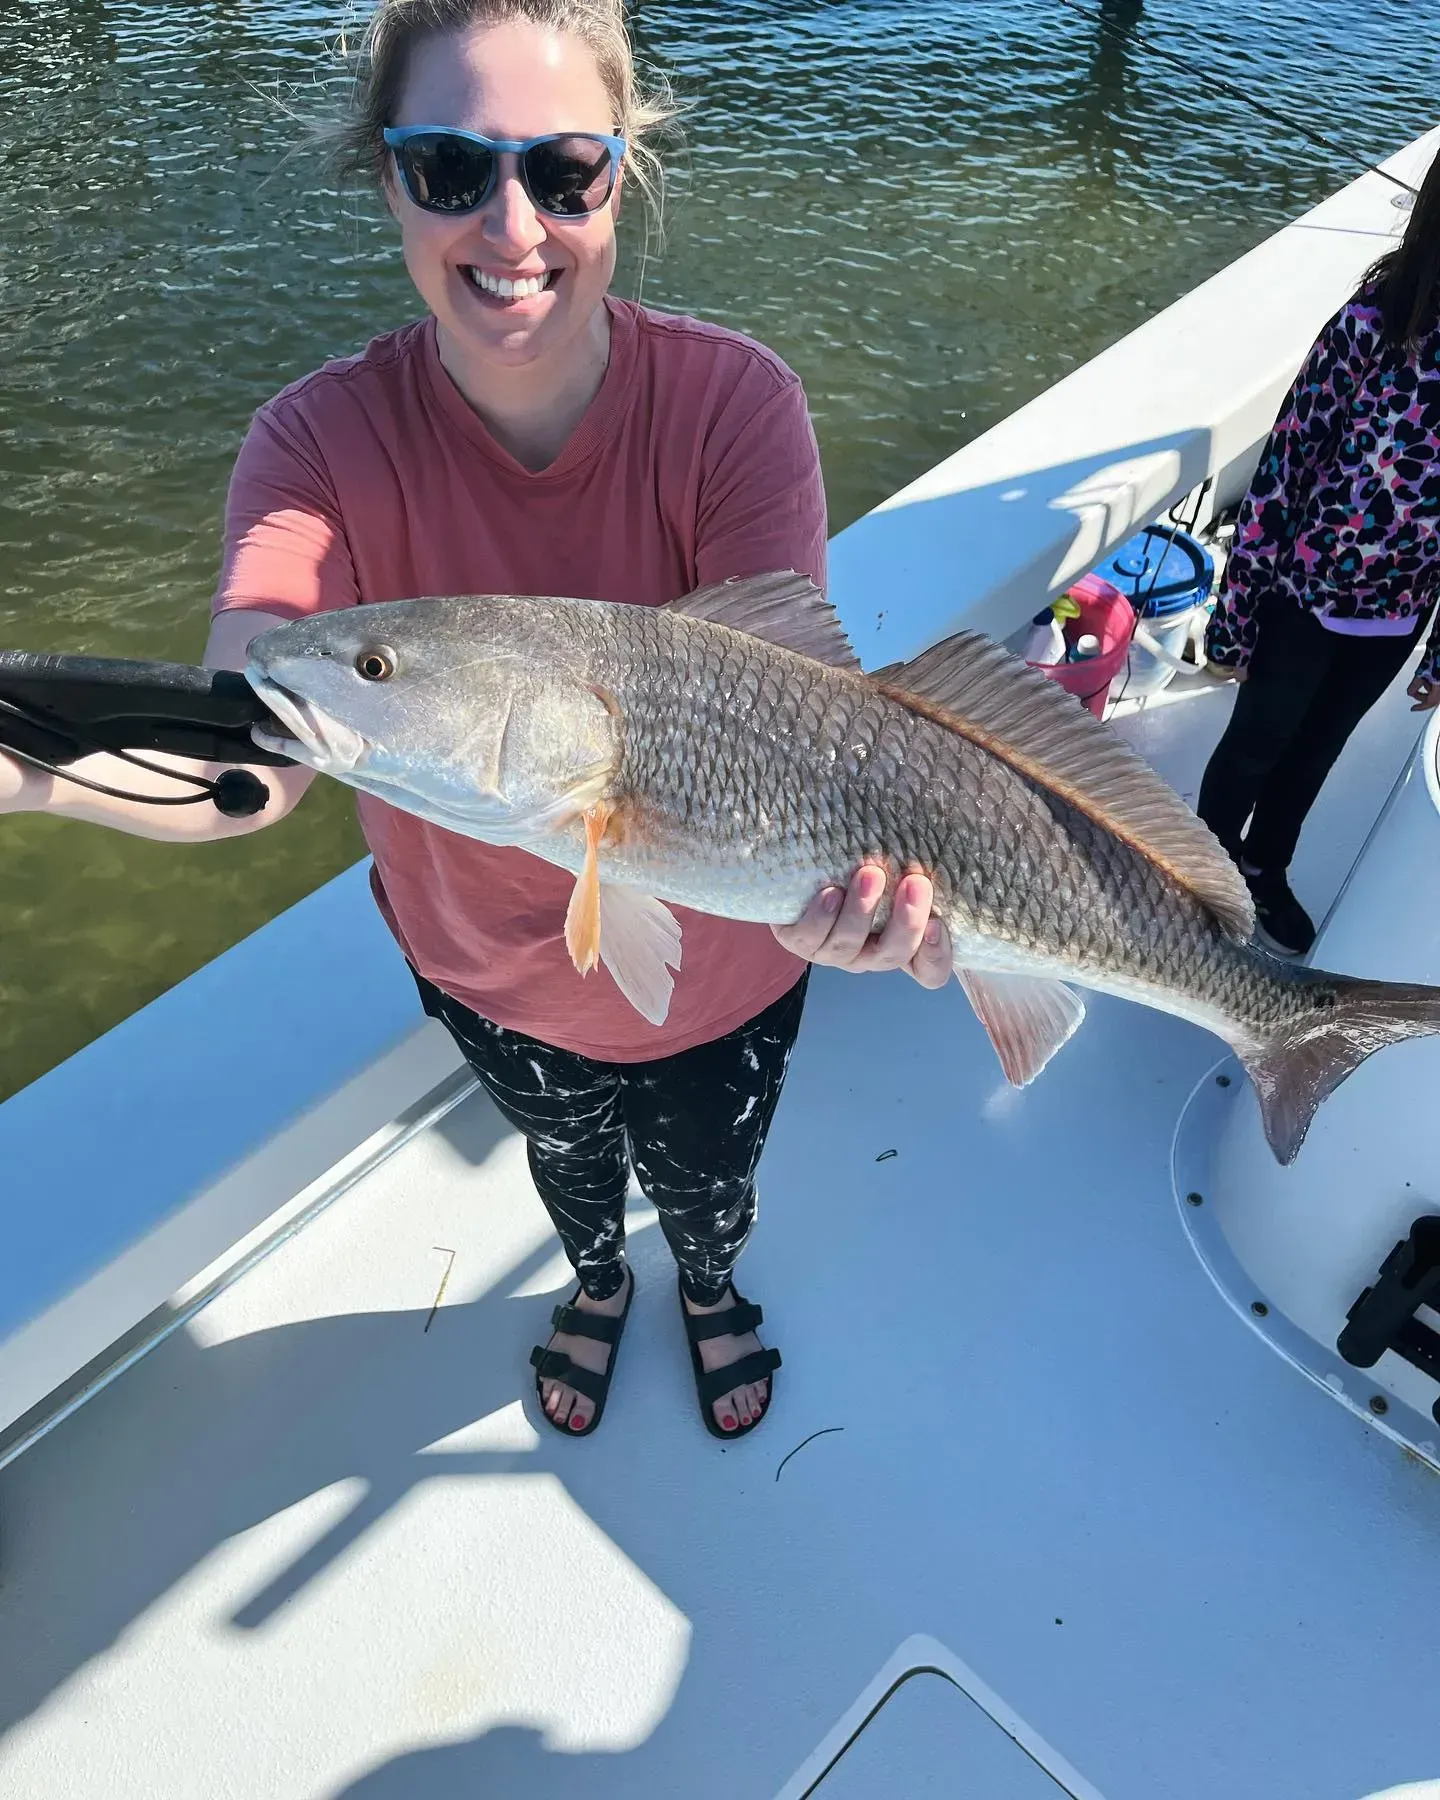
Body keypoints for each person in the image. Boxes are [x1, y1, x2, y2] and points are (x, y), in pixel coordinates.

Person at [0, 0, 952, 1440]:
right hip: (488, 976)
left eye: (563, 170)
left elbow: (801, 717)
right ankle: (593, 1281)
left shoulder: (733, 404)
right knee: (565, 1165)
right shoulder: (313, 446)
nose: (512, 226)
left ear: (616, 177)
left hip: (731, 978)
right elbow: (251, 760)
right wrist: (29, 777)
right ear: (388, 179)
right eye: (450, 168)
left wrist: (881, 911)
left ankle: (701, 1282)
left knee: (710, 1182)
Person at [1196, 150, 1440, 958]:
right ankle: (1200, 874)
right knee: (1254, 744)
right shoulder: (1368, 328)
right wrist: (1234, 620)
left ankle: (1265, 867)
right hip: (1302, 602)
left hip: (1400, 615)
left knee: (1316, 752)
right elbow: (1280, 477)